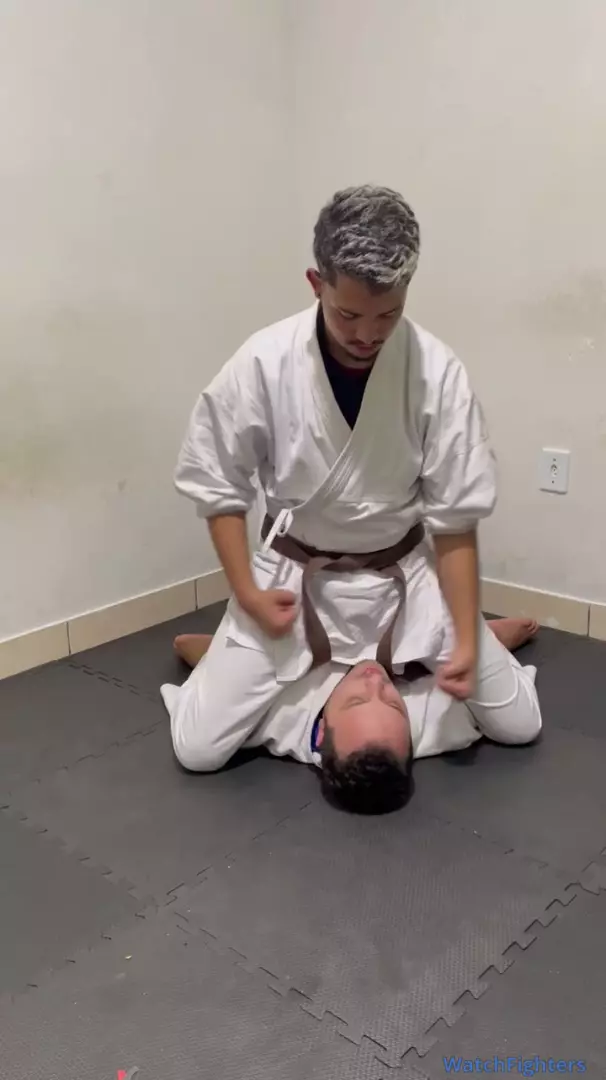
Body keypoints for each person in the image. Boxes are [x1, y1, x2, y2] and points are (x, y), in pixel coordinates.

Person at [168, 184, 506, 813]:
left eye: (388, 315)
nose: (367, 334)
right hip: (292, 578)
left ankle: (318, 691)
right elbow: (218, 485)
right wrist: (246, 593)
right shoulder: (264, 362)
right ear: (315, 283)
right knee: (199, 749)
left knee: (519, 724)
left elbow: (456, 520)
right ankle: (257, 668)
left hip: (405, 577)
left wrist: (463, 634)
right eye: (349, 315)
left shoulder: (437, 371)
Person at [161, 615, 541, 814]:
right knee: (519, 727)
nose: (374, 681)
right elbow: (478, 697)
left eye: (357, 701)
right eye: (393, 702)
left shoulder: (280, 716)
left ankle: (220, 651)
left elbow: (217, 702)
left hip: (303, 633)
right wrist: (490, 644)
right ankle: (491, 632)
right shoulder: (436, 725)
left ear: (320, 733)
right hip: (407, 624)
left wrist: (216, 662)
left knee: (199, 750)